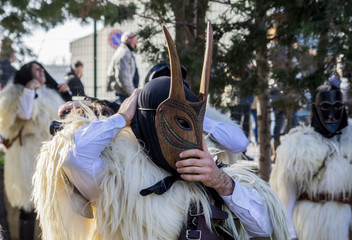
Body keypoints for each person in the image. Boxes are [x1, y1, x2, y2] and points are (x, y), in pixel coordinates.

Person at [33, 24, 289, 240]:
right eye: (181, 124)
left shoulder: (209, 172)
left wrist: (220, 182)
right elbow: (75, 155)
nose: (192, 140)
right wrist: (120, 118)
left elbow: (264, 226)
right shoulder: (118, 175)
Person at [270, 82, 352, 240]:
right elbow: (284, 198)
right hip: (311, 231)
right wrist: (289, 234)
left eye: (337, 106)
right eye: (325, 107)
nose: (332, 115)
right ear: (316, 108)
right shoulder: (296, 147)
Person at [0, 61, 71, 240]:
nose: (41, 72)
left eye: (41, 69)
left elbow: (64, 119)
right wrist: (30, 89)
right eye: (36, 70)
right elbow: (25, 113)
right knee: (28, 207)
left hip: (47, 155)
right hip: (25, 157)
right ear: (27, 74)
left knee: (51, 206)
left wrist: (66, 93)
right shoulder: (15, 93)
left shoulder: (50, 92)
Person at [107, 32, 139, 104]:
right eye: (134, 39)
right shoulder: (124, 53)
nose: (136, 41)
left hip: (126, 94)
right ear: (126, 40)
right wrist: (133, 94)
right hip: (124, 95)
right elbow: (124, 78)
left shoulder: (126, 52)